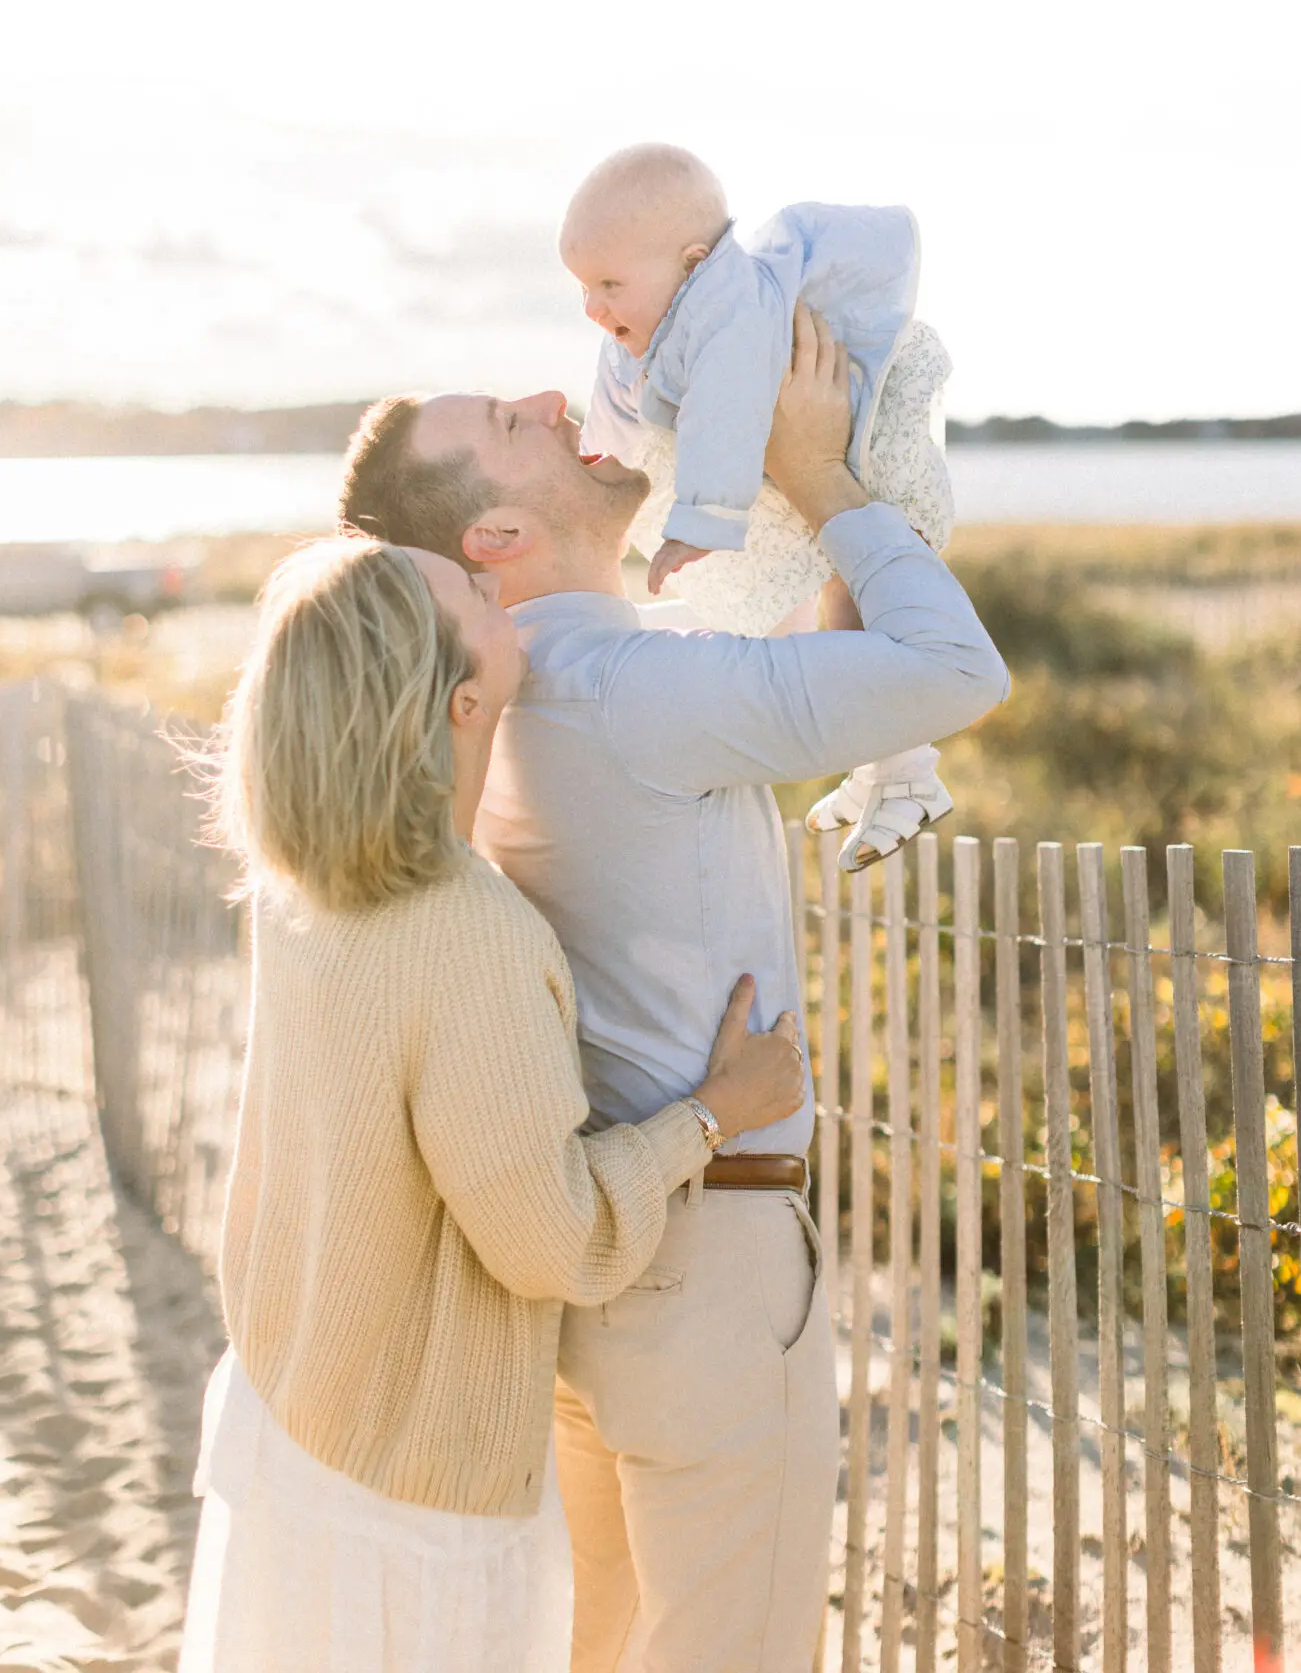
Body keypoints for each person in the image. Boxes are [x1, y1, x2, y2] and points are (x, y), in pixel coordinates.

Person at [338, 305, 1008, 1672]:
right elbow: (955, 670)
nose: (551, 395)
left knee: (612, 1642)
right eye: (511, 422)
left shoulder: (515, 697)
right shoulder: (633, 689)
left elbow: (811, 668)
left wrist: (803, 491)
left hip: (603, 1263)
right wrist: (821, 476)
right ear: (495, 537)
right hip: (708, 1263)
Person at [177, 535, 805, 1673]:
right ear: (465, 701)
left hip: (286, 1409)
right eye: (468, 593)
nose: (491, 581)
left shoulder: (298, 885)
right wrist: (716, 1110)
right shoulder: (468, 933)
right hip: (403, 1489)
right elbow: (556, 1242)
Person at [563, 141, 956, 872]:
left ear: (690, 264)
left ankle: (905, 774)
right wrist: (599, 473)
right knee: (841, 609)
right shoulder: (660, 327)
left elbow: (724, 412)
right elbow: (618, 412)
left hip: (865, 441)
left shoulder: (726, 308)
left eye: (610, 284)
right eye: (582, 287)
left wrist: (699, 523)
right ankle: (881, 763)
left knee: (866, 608)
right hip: (814, 451)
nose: (593, 307)